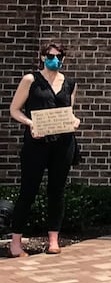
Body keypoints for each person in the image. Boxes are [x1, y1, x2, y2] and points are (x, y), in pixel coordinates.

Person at [7, 41, 80, 257]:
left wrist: (74, 121)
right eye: (50, 55)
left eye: (58, 56)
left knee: (57, 192)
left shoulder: (70, 83)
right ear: (42, 57)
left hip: (63, 143)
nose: (54, 59)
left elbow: (68, 111)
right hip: (36, 143)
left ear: (63, 59)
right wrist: (30, 124)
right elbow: (15, 109)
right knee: (28, 191)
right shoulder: (31, 80)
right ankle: (15, 243)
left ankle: (53, 240)